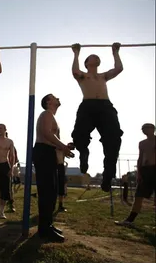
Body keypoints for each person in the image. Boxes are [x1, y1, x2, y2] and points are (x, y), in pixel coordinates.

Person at [71, 42, 124, 192]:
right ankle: (83, 152)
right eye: (92, 57)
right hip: (88, 106)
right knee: (79, 135)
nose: (95, 57)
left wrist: (115, 52)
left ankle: (108, 176)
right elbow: (75, 71)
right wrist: (76, 53)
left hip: (105, 107)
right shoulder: (83, 76)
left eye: (97, 57)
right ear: (87, 63)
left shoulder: (103, 76)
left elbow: (119, 69)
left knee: (113, 139)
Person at [33, 94, 74, 242]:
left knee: (51, 192)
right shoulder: (46, 113)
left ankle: (48, 225)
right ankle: (44, 230)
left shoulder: (52, 116)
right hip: (43, 152)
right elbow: (46, 133)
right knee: (46, 192)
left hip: (48, 153)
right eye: (54, 97)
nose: (58, 98)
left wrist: (63, 149)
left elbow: (51, 138)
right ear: (48, 102)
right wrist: (63, 146)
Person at [115, 123, 155, 227]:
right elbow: (140, 157)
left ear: (153, 129)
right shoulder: (142, 143)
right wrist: (139, 173)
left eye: (146, 128)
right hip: (145, 171)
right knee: (138, 196)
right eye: (142, 129)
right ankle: (129, 221)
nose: (143, 130)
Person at [56, 147, 68, 212]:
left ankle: (60, 205)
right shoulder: (56, 148)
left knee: (61, 188)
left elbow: (69, 154)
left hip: (61, 167)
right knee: (53, 186)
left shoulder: (62, 149)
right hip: (56, 166)